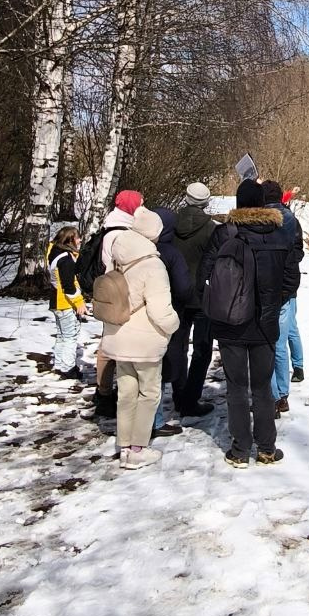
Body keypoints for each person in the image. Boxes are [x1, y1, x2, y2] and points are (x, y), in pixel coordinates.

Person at [197, 179, 299, 468]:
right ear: (263, 204)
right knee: (263, 387)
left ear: (239, 203)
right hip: (266, 324)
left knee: (236, 386)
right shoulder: (280, 234)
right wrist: (274, 302)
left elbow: (204, 277)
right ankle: (266, 448)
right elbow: (292, 280)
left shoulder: (224, 233)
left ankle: (240, 450)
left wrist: (216, 306)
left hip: (230, 322)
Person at [101, 206, 181, 470]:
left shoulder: (118, 255)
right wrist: (173, 325)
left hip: (118, 335)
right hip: (144, 341)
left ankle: (124, 447)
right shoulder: (152, 264)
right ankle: (138, 449)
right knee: (148, 394)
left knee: (125, 393)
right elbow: (160, 310)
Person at [91, 190, 144, 417]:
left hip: (111, 291)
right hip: (119, 293)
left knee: (110, 343)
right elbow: (118, 263)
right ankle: (106, 394)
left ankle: (105, 392)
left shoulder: (111, 226)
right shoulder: (120, 233)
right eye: (140, 203)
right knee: (111, 346)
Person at [171, 182, 218, 418]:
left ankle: (179, 395)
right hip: (202, 297)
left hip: (176, 293)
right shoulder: (211, 229)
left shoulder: (171, 224)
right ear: (205, 202)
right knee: (202, 348)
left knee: (177, 346)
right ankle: (191, 398)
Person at [261, 179, 305, 413]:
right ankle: (282, 394)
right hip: (286, 290)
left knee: (268, 344)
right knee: (280, 343)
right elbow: (298, 252)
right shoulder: (291, 220)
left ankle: (273, 395)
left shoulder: (258, 221)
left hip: (267, 291)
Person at [150, 205, 194, 435]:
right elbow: (183, 289)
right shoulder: (171, 253)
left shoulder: (133, 248)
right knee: (163, 365)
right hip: (167, 314)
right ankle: (156, 420)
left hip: (134, 317)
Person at [46, 225, 87, 379]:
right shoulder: (66, 260)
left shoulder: (53, 252)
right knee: (70, 337)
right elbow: (69, 286)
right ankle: (68, 369)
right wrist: (79, 303)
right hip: (65, 303)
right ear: (70, 239)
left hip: (55, 301)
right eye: (77, 237)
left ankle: (60, 364)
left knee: (62, 335)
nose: (80, 240)